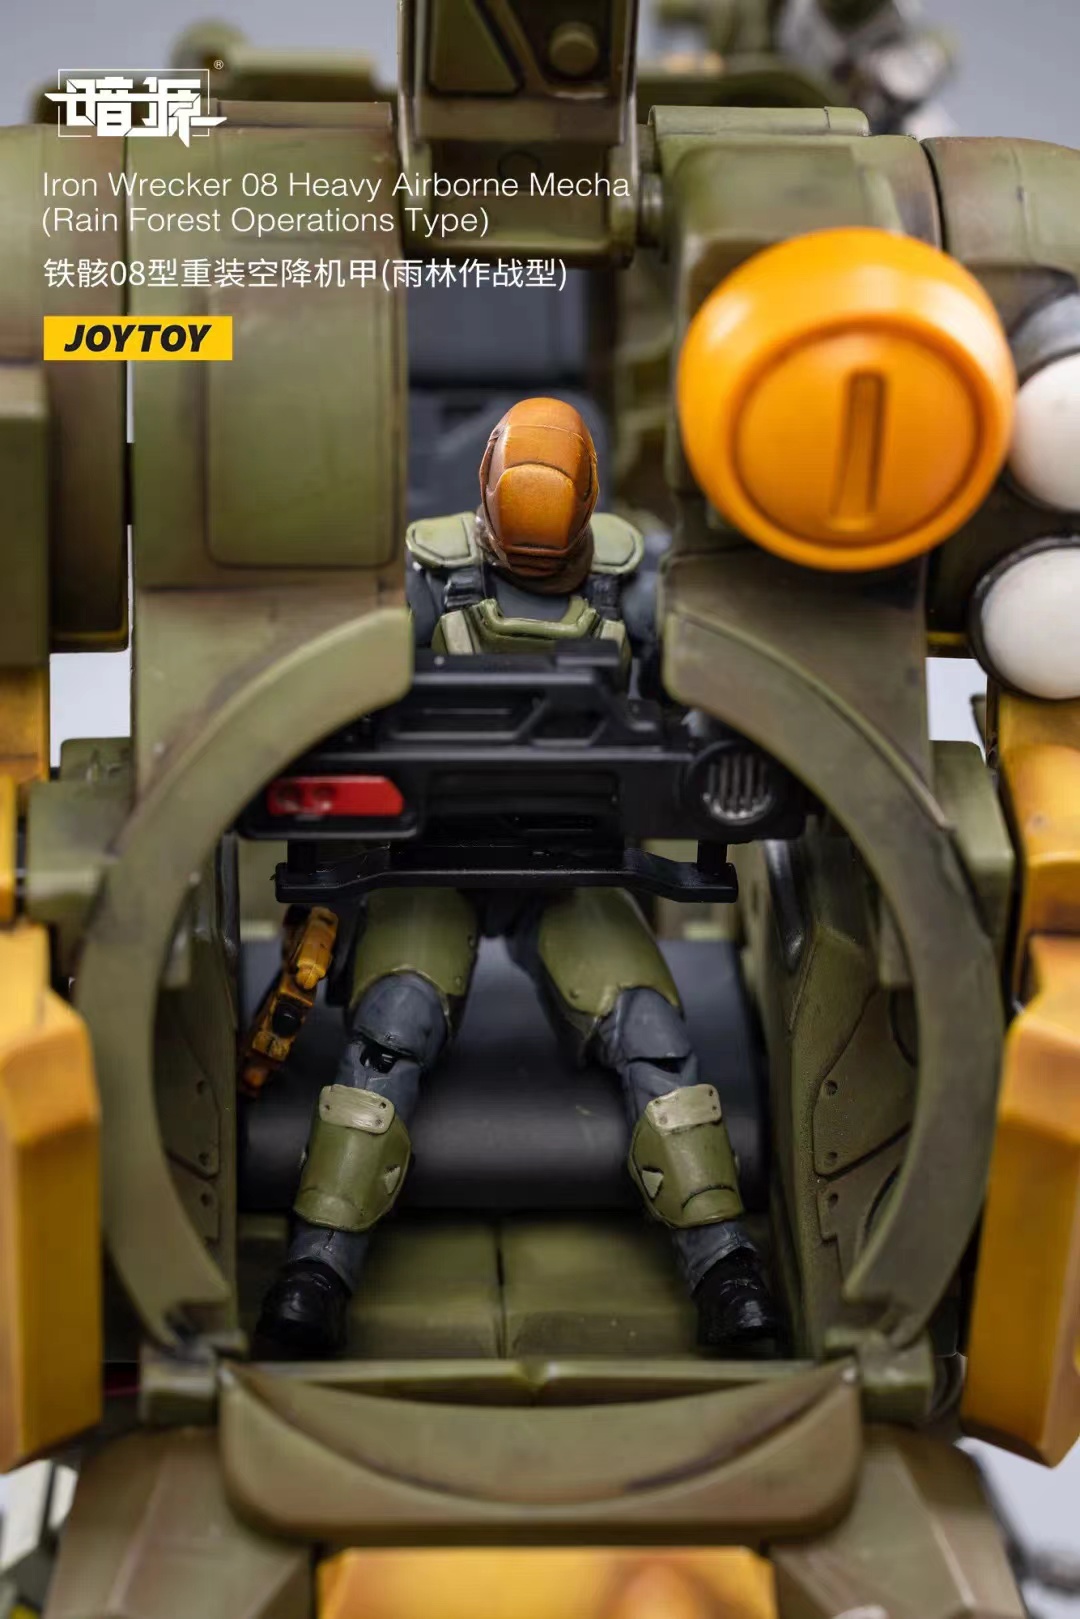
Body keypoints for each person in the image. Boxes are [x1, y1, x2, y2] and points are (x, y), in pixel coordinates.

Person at [256, 398, 782, 1358]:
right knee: (392, 1026)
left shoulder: (632, 587)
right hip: (430, 859)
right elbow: (331, 691)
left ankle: (725, 1263)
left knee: (653, 1032)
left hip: (573, 865)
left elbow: (715, 684)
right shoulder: (428, 580)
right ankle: (317, 1269)